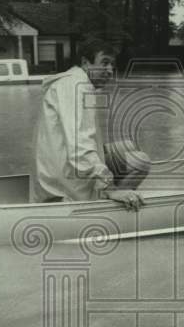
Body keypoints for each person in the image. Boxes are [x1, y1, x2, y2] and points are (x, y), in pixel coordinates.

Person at [30, 39, 151, 210]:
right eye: (104, 63)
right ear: (86, 63)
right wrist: (107, 186)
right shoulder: (78, 86)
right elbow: (79, 145)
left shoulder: (70, 81)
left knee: (128, 145)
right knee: (141, 162)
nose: (110, 71)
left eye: (112, 65)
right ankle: (110, 202)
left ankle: (111, 193)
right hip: (63, 182)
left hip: (56, 168)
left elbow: (75, 137)